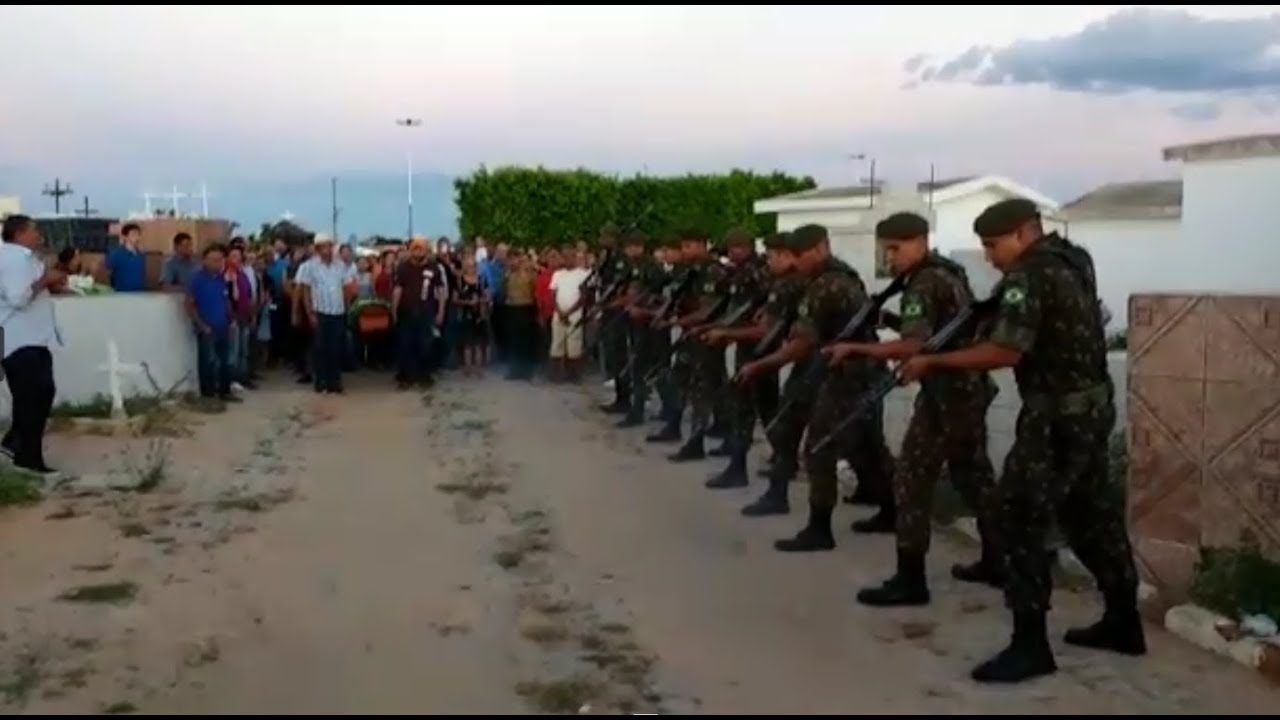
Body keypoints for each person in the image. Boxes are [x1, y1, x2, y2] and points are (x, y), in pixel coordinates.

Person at [898, 197, 1143, 683]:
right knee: (1092, 517)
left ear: (1022, 234)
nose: (989, 257)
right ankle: (1123, 621)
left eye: (992, 245)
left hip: (1054, 421)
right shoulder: (1074, 259)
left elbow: (1006, 351)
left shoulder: (1028, 275)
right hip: (1092, 409)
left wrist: (934, 362)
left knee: (1017, 520)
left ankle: (1030, 645)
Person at [824, 211, 1000, 607]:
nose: (891, 259)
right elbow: (937, 330)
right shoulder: (947, 273)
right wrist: (888, 318)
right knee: (975, 478)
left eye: (896, 249)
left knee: (910, 480)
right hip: (967, 390)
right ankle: (998, 558)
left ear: (920, 241)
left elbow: (911, 347)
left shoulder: (922, 282)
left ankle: (910, 580)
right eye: (886, 250)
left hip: (946, 394)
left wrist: (856, 347)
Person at [738, 224, 895, 552]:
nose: (798, 261)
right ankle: (890, 509)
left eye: (802, 254)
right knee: (866, 445)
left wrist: (760, 365)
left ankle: (819, 528)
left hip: (844, 371)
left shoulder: (824, 285)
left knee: (818, 446)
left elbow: (800, 344)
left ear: (822, 247)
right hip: (856, 368)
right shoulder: (840, 276)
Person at [702, 228, 774, 489]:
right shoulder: (740, 272)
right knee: (760, 406)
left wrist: (730, 331)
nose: (733, 252)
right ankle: (743, 462)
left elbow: (767, 311)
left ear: (750, 247)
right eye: (731, 247)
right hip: (745, 343)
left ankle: (741, 468)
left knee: (752, 406)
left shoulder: (760, 272)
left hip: (759, 345)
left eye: (738, 247)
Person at [0, 215, 65, 476]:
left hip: (30, 338)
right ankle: (27, 459)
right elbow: (19, 298)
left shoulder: (22, 259)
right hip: (20, 339)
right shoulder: (15, 259)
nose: (38, 235)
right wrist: (45, 280)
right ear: (19, 233)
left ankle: (16, 445)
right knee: (34, 398)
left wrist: (51, 281)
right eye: (34, 230)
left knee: (37, 396)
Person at [665, 228, 731, 462]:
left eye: (689, 246)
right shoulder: (691, 271)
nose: (685, 251)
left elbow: (707, 310)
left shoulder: (713, 272)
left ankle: (696, 442)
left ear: (703, 245)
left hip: (706, 337)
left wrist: (676, 320)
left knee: (701, 390)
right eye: (683, 246)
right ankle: (675, 426)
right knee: (681, 379)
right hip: (690, 335)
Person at [295, 234, 355, 394]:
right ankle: (321, 382)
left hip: (337, 312)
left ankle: (335, 383)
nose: (326, 250)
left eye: (328, 246)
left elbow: (346, 288)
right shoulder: (309, 266)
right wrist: (310, 314)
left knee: (335, 349)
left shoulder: (340, 266)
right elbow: (306, 292)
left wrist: (347, 310)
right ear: (317, 249)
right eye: (322, 247)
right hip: (320, 312)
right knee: (320, 348)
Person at [185, 244, 237, 403]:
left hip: (223, 326)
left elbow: (225, 299)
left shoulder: (221, 278)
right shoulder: (196, 279)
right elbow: (189, 304)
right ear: (204, 261)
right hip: (207, 328)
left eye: (220, 260)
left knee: (225, 361)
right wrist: (201, 325)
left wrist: (231, 319)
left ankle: (225, 391)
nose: (218, 263)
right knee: (207, 362)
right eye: (214, 260)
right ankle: (208, 395)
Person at [392, 238, 446, 389]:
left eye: (421, 249)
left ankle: (424, 376)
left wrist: (441, 311)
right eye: (415, 249)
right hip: (406, 311)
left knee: (425, 344)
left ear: (426, 250)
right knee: (406, 344)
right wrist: (394, 310)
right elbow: (398, 289)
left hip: (426, 311)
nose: (418, 252)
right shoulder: (403, 267)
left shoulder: (434, 267)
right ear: (411, 251)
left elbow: (440, 290)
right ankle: (407, 377)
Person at [548, 249, 592, 381]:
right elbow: (553, 294)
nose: (567, 260)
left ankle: (574, 375)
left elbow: (584, 296)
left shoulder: (583, 275)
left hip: (575, 314)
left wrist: (569, 311)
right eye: (565, 257)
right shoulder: (558, 274)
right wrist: (560, 311)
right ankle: (556, 374)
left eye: (570, 257)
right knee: (557, 343)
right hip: (559, 312)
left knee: (574, 344)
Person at [504, 252, 539, 380]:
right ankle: (514, 370)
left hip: (526, 308)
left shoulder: (531, 274)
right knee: (514, 341)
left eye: (522, 260)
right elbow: (504, 290)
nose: (518, 262)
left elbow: (535, 291)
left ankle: (527, 371)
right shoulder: (508, 274)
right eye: (516, 260)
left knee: (526, 340)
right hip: (512, 308)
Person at [454, 255, 489, 377]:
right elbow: (454, 299)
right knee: (467, 343)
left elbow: (487, 296)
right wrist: (468, 302)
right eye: (468, 266)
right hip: (465, 314)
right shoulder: (459, 281)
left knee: (479, 343)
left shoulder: (482, 280)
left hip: (479, 314)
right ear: (464, 267)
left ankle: (478, 369)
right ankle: (468, 368)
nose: (471, 268)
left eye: (473, 266)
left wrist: (480, 300)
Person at [103, 222, 148, 291]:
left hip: (139, 294)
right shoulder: (116, 253)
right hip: (121, 294)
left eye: (138, 234)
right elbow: (106, 273)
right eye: (133, 235)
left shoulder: (141, 254)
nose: (137, 237)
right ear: (125, 237)